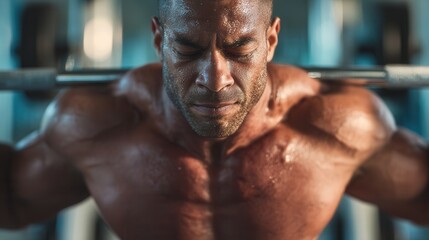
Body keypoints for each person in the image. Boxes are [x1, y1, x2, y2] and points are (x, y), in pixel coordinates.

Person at [1, 0, 428, 239]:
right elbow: (13, 202)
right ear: (158, 39)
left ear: (271, 40)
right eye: (187, 50)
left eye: (240, 49)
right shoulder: (96, 127)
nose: (215, 79)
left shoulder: (336, 127)